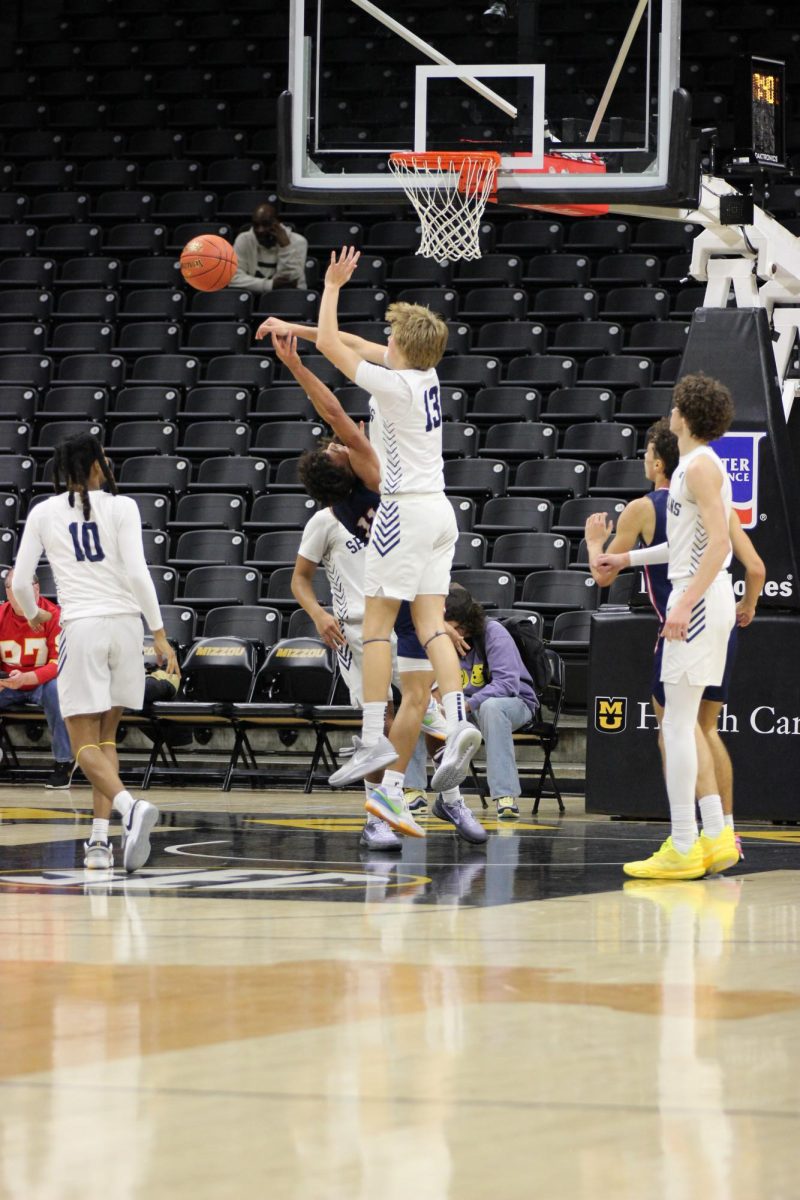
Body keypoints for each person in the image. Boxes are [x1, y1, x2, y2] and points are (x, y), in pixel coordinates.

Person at [257, 248, 482, 839]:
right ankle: (457, 722)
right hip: (441, 511)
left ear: (403, 348)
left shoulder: (396, 389)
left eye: (391, 337)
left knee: (377, 626)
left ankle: (371, 740)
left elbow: (335, 346)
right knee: (431, 622)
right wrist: (294, 329)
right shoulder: (425, 374)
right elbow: (352, 344)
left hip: (405, 512)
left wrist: (330, 287)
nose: (384, 342)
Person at [585, 417, 765, 862]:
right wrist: (750, 605)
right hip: (719, 618)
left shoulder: (654, 500)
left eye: (646, 452)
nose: (643, 459)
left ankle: (690, 838)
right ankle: (723, 832)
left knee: (679, 731)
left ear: (659, 457)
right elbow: (755, 567)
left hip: (687, 617)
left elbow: (601, 575)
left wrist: (596, 547)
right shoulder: (706, 482)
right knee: (705, 730)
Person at [12, 434, 180, 872]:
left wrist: (33, 614)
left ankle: (129, 808)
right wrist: (159, 635)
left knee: (80, 741)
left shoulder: (44, 512)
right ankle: (100, 842)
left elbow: (18, 581)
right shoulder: (124, 507)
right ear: (97, 467)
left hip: (82, 627)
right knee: (106, 738)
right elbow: (141, 575)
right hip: (126, 627)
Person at [443, 586, 539, 820]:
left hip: (514, 703)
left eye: (458, 628)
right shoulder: (439, 638)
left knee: (491, 708)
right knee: (419, 708)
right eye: (450, 628)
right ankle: (411, 791)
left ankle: (505, 797)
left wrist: (466, 704)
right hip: (465, 705)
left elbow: (507, 683)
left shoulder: (493, 633)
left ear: (468, 623)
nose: (455, 633)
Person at [0, 568, 74, 789]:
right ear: (6, 592)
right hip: (9, 683)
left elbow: (58, 664)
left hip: (42, 682)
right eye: (13, 590)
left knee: (57, 689)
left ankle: (64, 762)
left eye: (23, 589)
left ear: (36, 589)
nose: (18, 595)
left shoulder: (55, 616)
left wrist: (28, 678)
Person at [230, 201, 308, 293]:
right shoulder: (244, 239)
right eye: (256, 225)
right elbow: (233, 278)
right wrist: (270, 285)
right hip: (253, 297)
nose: (260, 230)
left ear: (277, 223)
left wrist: (285, 246)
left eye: (266, 224)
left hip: (288, 298)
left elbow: (289, 280)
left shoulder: (298, 242)